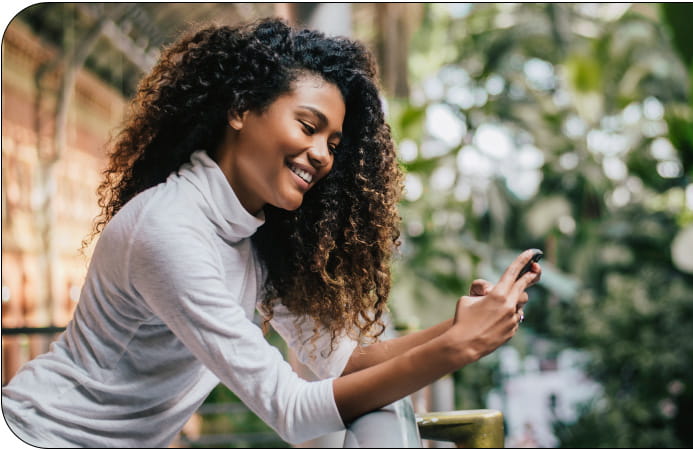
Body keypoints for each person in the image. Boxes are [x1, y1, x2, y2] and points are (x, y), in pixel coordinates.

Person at [0, 18, 541, 447]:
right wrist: (456, 350)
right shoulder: (169, 230)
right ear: (240, 109)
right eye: (308, 126)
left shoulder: (252, 232)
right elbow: (292, 410)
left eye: (333, 143)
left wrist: (456, 328)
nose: (321, 154)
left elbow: (340, 361)